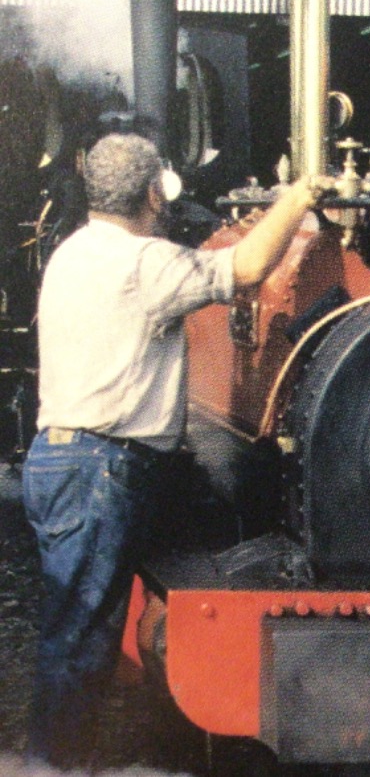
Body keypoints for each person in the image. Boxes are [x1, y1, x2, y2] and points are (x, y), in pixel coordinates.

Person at [21, 133, 321, 768]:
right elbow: (243, 269)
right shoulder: (144, 263)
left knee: (77, 630)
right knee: (78, 640)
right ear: (155, 192)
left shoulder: (74, 251)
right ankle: (51, 767)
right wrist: (299, 198)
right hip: (100, 467)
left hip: (65, 457)